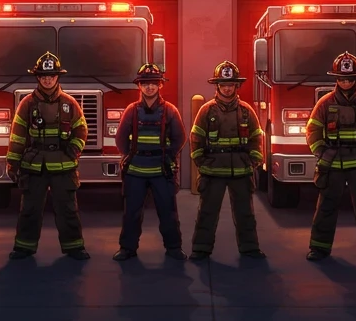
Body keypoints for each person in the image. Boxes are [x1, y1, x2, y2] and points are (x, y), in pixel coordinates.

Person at [5, 52, 90, 260]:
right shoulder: (27, 104)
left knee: (68, 209)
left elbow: (81, 130)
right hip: (34, 165)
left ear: (57, 77)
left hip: (63, 165)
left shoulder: (70, 103)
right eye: (43, 75)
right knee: (30, 209)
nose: (47, 79)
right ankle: (23, 247)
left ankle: (74, 247)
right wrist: (13, 164)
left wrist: (73, 150)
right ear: (38, 77)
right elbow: (17, 136)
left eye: (51, 75)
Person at [305, 52, 356, 261]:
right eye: (341, 79)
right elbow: (312, 131)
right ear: (336, 79)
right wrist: (322, 153)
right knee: (326, 205)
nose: (345, 82)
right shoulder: (324, 104)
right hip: (332, 164)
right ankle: (319, 248)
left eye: (349, 79)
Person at [189, 61, 266, 261]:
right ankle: (200, 249)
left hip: (241, 171)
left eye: (231, 84)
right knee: (207, 212)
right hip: (213, 172)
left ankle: (250, 248)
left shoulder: (246, 111)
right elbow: (196, 138)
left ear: (236, 86)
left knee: (245, 214)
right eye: (223, 84)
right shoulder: (206, 110)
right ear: (217, 86)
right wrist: (202, 163)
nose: (227, 88)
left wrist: (253, 162)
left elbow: (257, 137)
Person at [113, 63, 187, 261]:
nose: (149, 87)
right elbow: (120, 139)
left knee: (168, 212)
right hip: (135, 171)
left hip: (161, 170)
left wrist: (168, 156)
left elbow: (180, 138)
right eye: (145, 84)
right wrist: (131, 155)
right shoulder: (132, 110)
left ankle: (173, 248)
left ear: (160, 85)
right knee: (132, 214)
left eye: (153, 83)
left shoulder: (170, 111)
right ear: (139, 86)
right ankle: (127, 248)